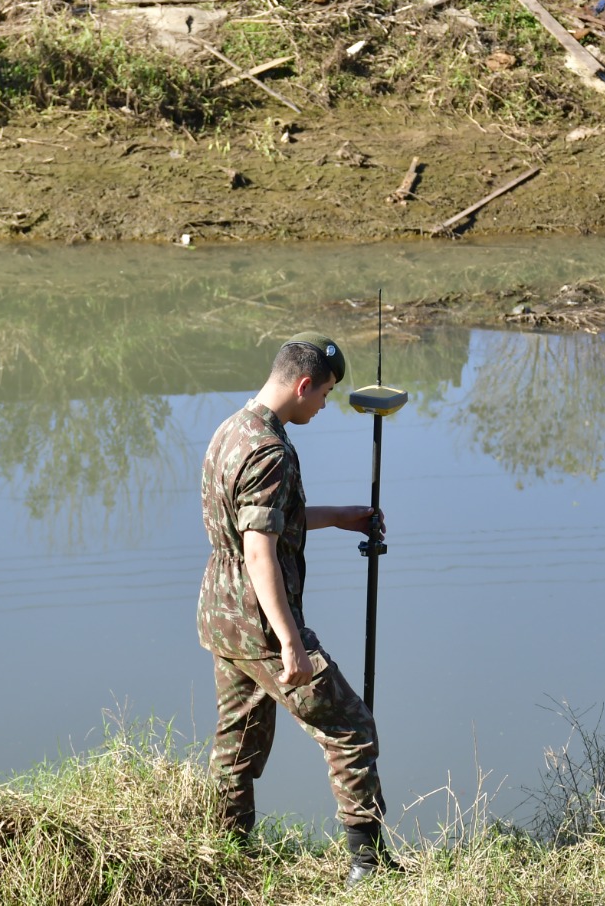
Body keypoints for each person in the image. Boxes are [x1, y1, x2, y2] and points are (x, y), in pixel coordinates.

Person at [197, 331, 395, 886]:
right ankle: (368, 865)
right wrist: (290, 642)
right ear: (303, 384)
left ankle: (225, 855)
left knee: (236, 742)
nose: (326, 405)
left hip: (221, 617)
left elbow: (258, 521)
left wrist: (340, 516)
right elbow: (259, 548)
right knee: (351, 727)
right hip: (262, 624)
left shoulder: (232, 430)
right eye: (326, 394)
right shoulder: (272, 450)